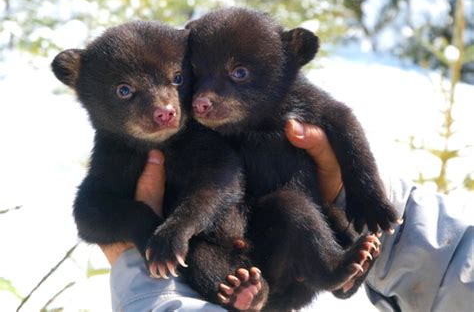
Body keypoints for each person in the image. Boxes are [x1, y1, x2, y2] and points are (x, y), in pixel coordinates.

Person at [101, 120, 473, 312]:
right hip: (247, 250)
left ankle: (323, 270)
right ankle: (304, 276)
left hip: (269, 242)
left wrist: (144, 279)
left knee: (289, 208)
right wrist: (350, 200)